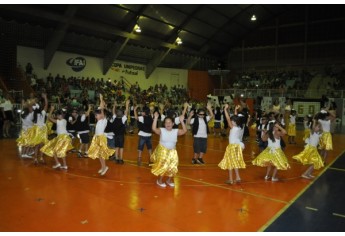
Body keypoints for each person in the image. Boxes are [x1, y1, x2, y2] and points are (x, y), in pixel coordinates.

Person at [150, 111, 187, 188]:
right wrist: (156, 118)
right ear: (164, 124)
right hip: (163, 151)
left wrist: (182, 121)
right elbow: (154, 129)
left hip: (172, 152)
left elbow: (184, 131)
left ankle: (169, 180)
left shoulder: (175, 131)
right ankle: (159, 181)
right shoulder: (162, 130)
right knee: (163, 166)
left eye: (170, 122)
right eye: (166, 122)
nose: (168, 124)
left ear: (173, 124)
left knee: (173, 167)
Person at [88, 94, 115, 175]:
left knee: (102, 154)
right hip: (97, 137)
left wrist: (101, 98)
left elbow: (102, 108)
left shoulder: (104, 119)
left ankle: (105, 167)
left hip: (101, 138)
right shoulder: (100, 120)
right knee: (99, 154)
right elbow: (101, 108)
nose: (95, 117)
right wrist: (102, 102)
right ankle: (103, 167)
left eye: (96, 115)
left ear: (101, 114)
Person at [218, 104, 246, 184]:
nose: (231, 121)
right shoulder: (240, 127)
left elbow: (227, 118)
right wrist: (235, 110)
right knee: (235, 162)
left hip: (232, 147)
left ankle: (230, 179)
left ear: (234, 122)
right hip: (237, 146)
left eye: (232, 120)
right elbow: (236, 118)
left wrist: (225, 109)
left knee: (230, 162)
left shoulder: (233, 127)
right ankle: (237, 177)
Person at [29, 93, 48, 164]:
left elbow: (30, 105)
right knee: (41, 145)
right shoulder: (42, 112)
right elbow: (46, 105)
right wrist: (45, 98)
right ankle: (40, 158)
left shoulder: (35, 113)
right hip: (42, 129)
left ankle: (36, 158)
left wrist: (33, 100)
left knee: (38, 145)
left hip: (38, 129)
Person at [112, 99, 130, 164]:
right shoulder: (123, 119)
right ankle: (121, 159)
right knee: (121, 147)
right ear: (122, 114)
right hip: (121, 136)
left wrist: (114, 105)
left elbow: (113, 112)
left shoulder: (114, 118)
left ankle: (116, 158)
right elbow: (126, 111)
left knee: (116, 147)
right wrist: (127, 105)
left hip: (116, 135)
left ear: (116, 114)